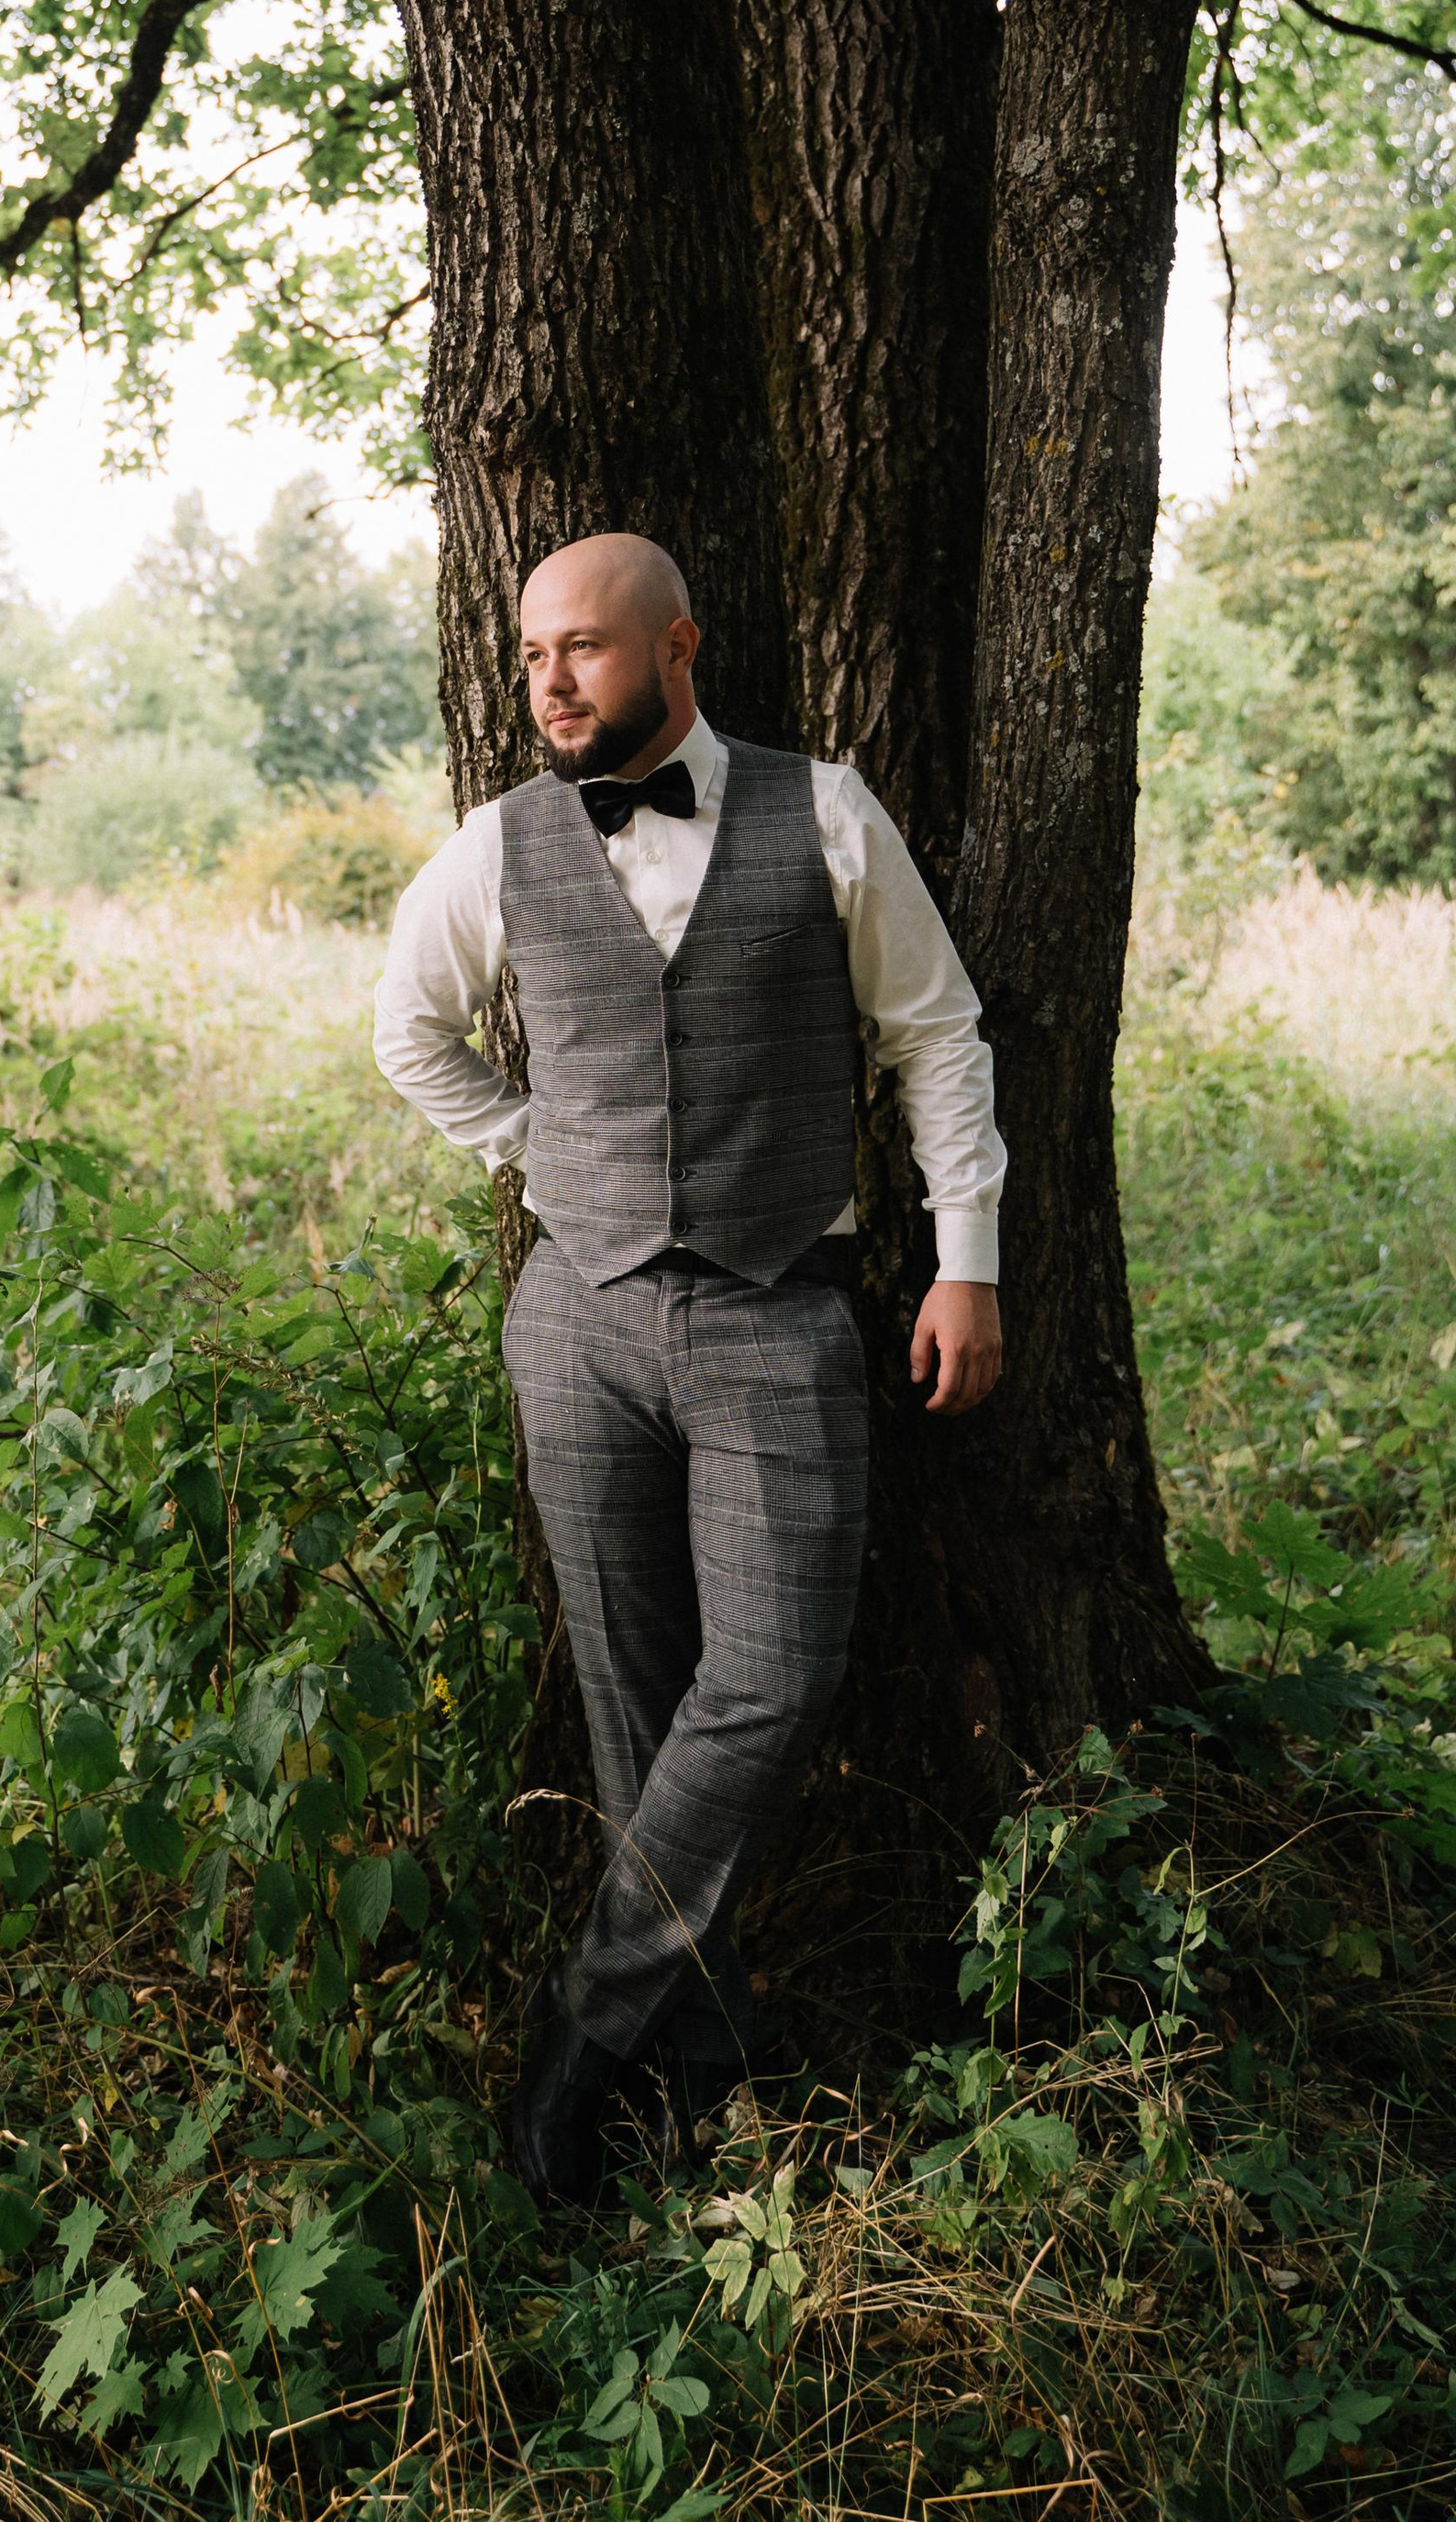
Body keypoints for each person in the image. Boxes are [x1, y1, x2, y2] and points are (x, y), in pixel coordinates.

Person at [372, 531, 1005, 2202]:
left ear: (678, 646)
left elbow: (939, 1038)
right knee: (629, 1706)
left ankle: (578, 2040)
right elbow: (406, 1035)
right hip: (576, 1317)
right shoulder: (502, 847)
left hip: (780, 1308)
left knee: (776, 1679)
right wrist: (538, 1155)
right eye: (530, 656)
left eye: (581, 647)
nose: (552, 681)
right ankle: (696, 2073)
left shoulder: (829, 813)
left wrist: (968, 1266)